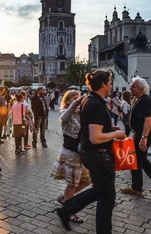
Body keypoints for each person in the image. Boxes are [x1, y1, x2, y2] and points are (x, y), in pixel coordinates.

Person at [57, 70, 126, 234]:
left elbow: (91, 128)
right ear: (102, 84)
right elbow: (95, 137)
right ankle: (67, 210)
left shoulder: (90, 99)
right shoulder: (95, 103)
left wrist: (109, 128)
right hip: (99, 156)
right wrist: (116, 134)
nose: (111, 86)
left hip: (92, 154)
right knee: (106, 198)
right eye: (109, 83)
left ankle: (67, 209)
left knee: (101, 192)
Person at [121, 76, 151, 195]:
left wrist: (144, 138)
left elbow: (148, 120)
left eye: (133, 86)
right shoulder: (138, 99)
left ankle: (137, 187)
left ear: (141, 88)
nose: (130, 88)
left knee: (136, 160)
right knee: (142, 160)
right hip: (139, 134)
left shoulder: (144, 100)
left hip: (142, 134)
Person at [51, 90, 91, 224]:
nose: (78, 101)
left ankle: (65, 198)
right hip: (70, 154)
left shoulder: (80, 114)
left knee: (88, 180)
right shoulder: (64, 112)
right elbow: (64, 117)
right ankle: (69, 211)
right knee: (72, 184)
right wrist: (77, 102)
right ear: (68, 100)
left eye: (78, 98)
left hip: (80, 154)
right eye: (74, 98)